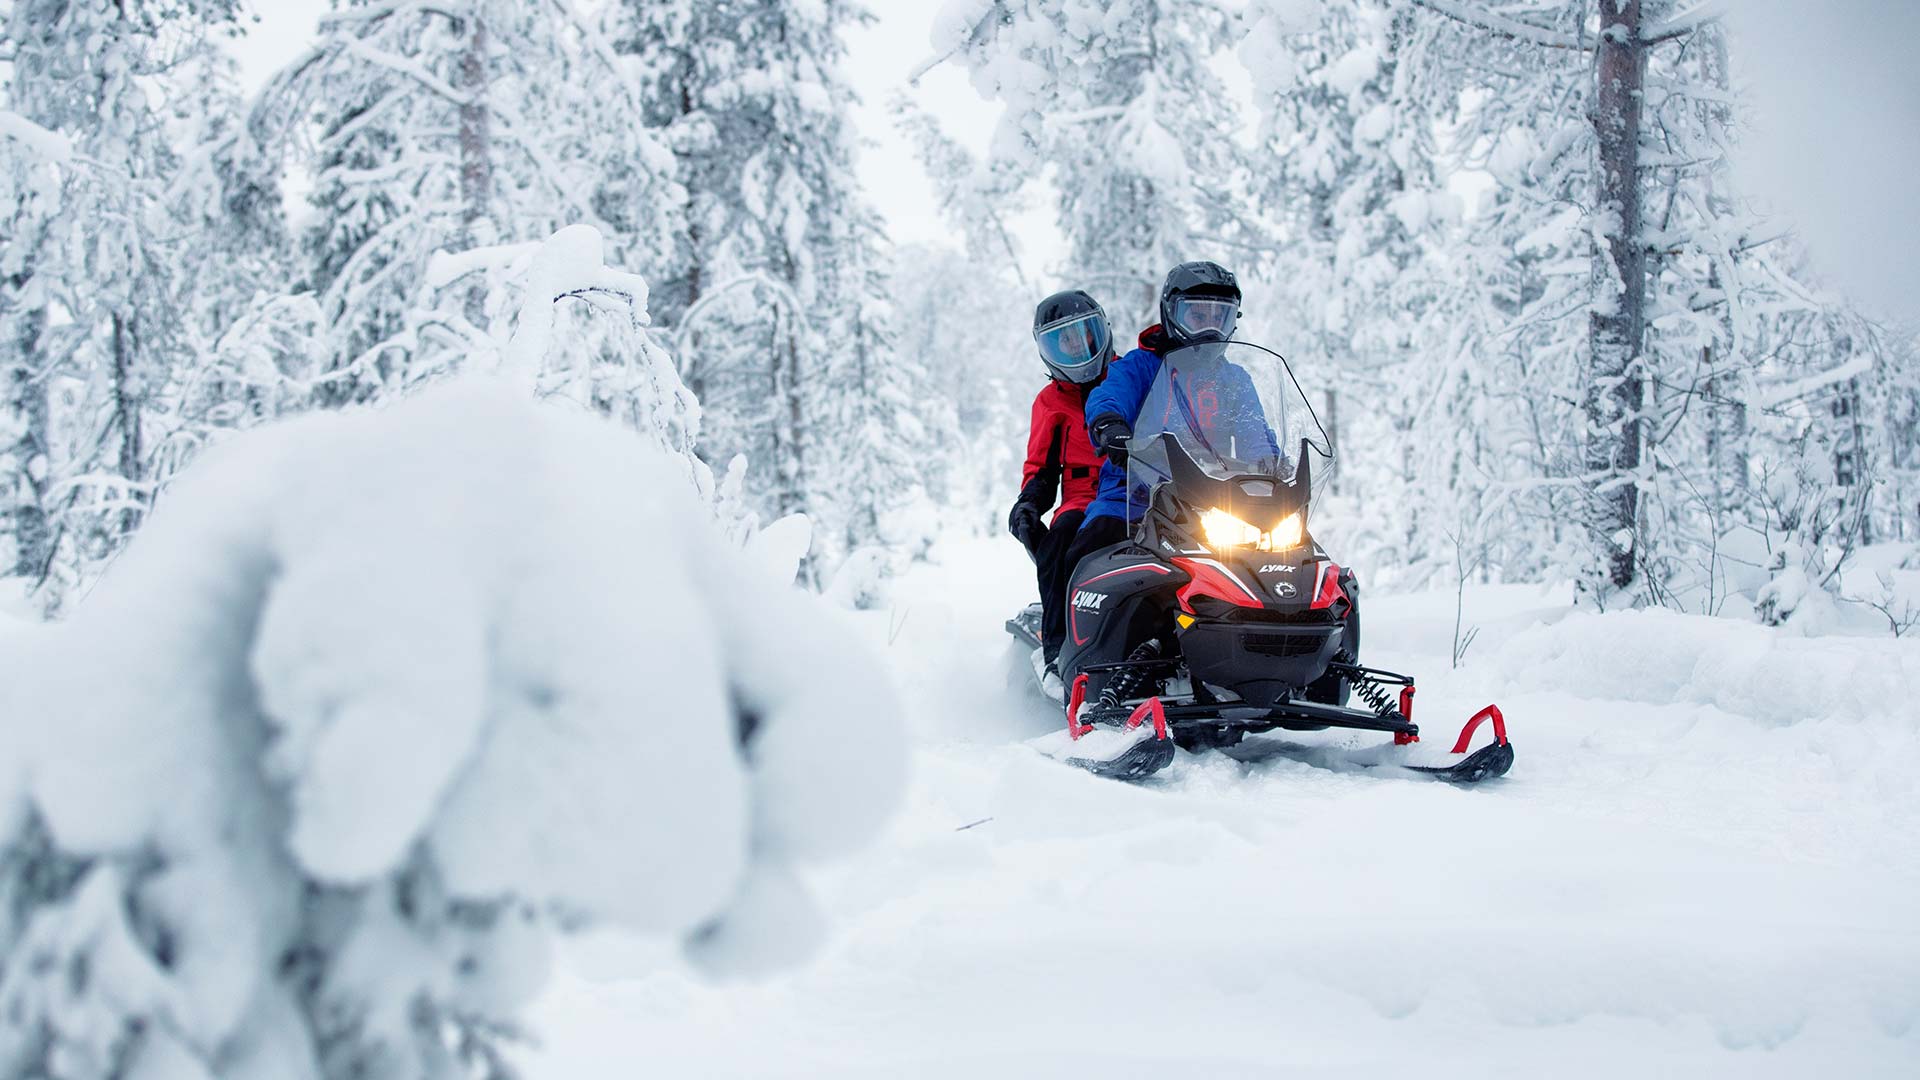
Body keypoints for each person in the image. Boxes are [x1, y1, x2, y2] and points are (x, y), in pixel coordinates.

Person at [1062, 261, 1274, 572]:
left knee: (1288, 557)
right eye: (1197, 316)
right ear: (1171, 313)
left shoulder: (1233, 380)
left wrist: (1271, 463)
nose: (1210, 328)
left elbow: (1254, 431)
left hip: (1216, 500)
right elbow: (1108, 396)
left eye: (1220, 317)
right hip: (1135, 496)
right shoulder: (1141, 367)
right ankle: (1063, 621)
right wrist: (1110, 425)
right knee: (1088, 551)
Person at [1009, 289, 1114, 692]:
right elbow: (1041, 466)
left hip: (1142, 489)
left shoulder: (1127, 376)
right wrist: (1029, 504)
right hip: (1083, 498)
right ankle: (1059, 655)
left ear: (1100, 332)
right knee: (1061, 547)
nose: (1076, 348)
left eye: (1082, 335)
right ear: (1048, 351)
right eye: (1062, 341)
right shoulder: (1051, 402)